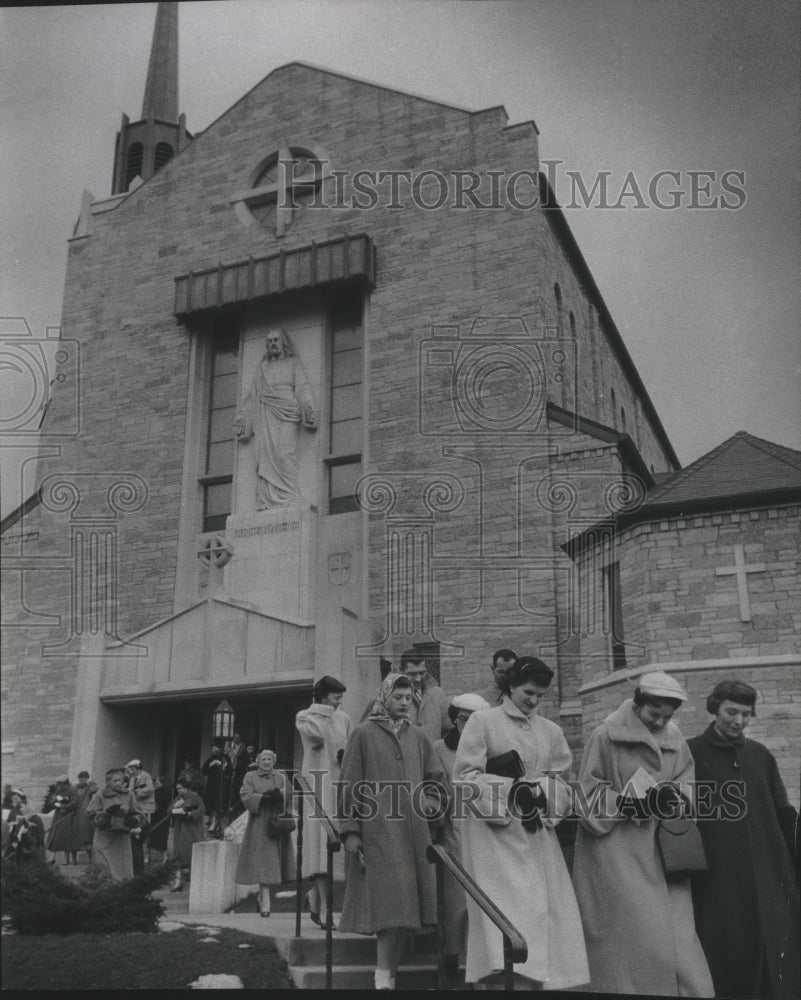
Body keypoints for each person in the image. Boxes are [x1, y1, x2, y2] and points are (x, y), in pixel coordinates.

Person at [571, 671, 713, 996]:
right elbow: (586, 796)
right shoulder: (606, 735)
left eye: (667, 716)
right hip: (614, 853)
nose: (660, 723)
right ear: (637, 703)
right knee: (628, 939)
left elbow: (687, 786)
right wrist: (629, 801)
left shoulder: (674, 738)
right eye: (653, 714)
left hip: (664, 850)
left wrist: (674, 798)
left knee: (675, 939)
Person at [453, 656, 589, 990]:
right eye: (528, 692)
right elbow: (464, 778)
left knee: (542, 916)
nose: (533, 701)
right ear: (510, 685)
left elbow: (561, 781)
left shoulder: (551, 731)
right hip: (496, 838)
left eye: (540, 696)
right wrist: (513, 789)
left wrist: (544, 791)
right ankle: (501, 979)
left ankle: (534, 980)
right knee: (505, 917)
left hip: (537, 836)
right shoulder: (483, 722)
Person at [688, 679, 800, 1000]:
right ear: (715, 708)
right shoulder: (691, 752)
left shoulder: (760, 755)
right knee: (727, 960)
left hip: (770, 873)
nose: (738, 721)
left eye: (746, 714)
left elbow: (784, 811)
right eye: (731, 712)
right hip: (717, 879)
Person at [338, 672, 449, 991]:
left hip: (414, 835)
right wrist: (350, 831)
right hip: (378, 834)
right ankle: (382, 975)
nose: (404, 702)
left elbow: (436, 778)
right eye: (397, 697)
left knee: (406, 912)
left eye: (408, 698)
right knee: (391, 909)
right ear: (383, 697)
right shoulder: (363, 734)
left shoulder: (417, 736)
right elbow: (349, 785)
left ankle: (389, 976)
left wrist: (431, 803)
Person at [431, 692, 490, 986]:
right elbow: (434, 789)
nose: (468, 725)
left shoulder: (489, 749)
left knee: (482, 900)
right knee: (455, 901)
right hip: (452, 829)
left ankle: (479, 963)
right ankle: (452, 961)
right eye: (464, 719)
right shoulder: (439, 749)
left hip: (486, 829)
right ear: (454, 719)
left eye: (474, 720)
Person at [234, 327, 317, 508]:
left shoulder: (293, 363)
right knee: (265, 456)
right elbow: (252, 398)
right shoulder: (262, 368)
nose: (272, 344)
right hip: (266, 414)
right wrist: (243, 418)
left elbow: (302, 389)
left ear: (283, 343)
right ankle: (266, 499)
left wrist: (308, 407)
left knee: (284, 453)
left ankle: (290, 495)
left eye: (276, 340)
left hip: (288, 412)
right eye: (269, 341)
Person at [295, 674, 353, 929]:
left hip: (338, 785)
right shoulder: (306, 716)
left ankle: (315, 897)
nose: (339, 701)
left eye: (340, 697)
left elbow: (348, 748)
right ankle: (327, 910)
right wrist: (323, 710)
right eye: (335, 696)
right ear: (322, 696)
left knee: (334, 844)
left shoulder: (344, 718)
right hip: (317, 785)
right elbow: (317, 736)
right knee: (319, 845)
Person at [234, 749, 294, 916]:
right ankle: (265, 899)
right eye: (263, 759)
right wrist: (262, 798)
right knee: (263, 861)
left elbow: (289, 793)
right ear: (258, 761)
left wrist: (279, 795)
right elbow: (245, 794)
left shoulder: (281, 776)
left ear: (274, 761)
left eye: (269, 759)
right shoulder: (250, 776)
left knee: (274, 861)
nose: (266, 762)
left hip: (277, 822)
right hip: (260, 823)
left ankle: (263, 896)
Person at [86, 767, 143, 881]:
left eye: (120, 780)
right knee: (104, 869)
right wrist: (106, 813)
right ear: (108, 782)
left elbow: (139, 814)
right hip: (104, 837)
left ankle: (122, 892)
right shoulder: (100, 795)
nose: (118, 783)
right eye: (114, 781)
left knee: (123, 870)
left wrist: (134, 820)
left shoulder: (129, 795)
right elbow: (90, 814)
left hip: (121, 839)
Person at [397, 650, 451, 742]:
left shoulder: (438, 694)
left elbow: (448, 730)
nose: (418, 679)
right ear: (401, 671)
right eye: (412, 674)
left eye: (422, 673)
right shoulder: (388, 697)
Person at [168, 779, 206, 891]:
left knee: (191, 853)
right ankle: (178, 881)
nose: (179, 791)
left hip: (191, 829)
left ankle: (193, 880)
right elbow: (169, 812)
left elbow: (202, 809)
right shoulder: (178, 799)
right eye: (177, 789)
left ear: (186, 787)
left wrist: (190, 814)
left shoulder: (195, 797)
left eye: (180, 788)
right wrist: (176, 806)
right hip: (180, 829)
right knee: (178, 853)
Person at [125, 760, 155, 873]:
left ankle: (147, 854)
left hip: (145, 806)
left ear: (138, 768)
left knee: (144, 828)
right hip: (137, 806)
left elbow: (150, 789)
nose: (131, 771)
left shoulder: (146, 776)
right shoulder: (132, 778)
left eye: (133, 769)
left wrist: (138, 792)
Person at [2, 789, 45, 865]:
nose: (14, 800)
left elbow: (39, 837)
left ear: (22, 799)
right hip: (15, 844)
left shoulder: (34, 815)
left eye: (16, 798)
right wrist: (11, 825)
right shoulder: (13, 811)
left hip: (28, 846)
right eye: (13, 798)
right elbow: (8, 823)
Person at [42, 774, 77, 865]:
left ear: (66, 783)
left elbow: (74, 804)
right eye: (59, 784)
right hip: (58, 815)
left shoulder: (72, 790)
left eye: (61, 784)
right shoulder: (58, 789)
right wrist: (54, 801)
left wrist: (61, 805)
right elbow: (51, 800)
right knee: (54, 836)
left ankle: (66, 858)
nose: (60, 786)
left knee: (66, 837)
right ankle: (52, 857)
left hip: (68, 816)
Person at [201, 746, 233, 834]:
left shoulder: (226, 757)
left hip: (222, 786)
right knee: (211, 804)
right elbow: (204, 771)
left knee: (219, 805)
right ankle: (212, 821)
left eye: (215, 749)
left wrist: (225, 767)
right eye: (212, 749)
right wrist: (211, 764)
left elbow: (230, 772)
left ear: (220, 749)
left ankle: (215, 824)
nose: (213, 751)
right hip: (212, 785)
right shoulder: (211, 758)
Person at [72, 770, 97, 863]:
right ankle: (74, 860)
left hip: (86, 815)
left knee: (87, 837)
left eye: (83, 780)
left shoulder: (90, 787)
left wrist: (91, 783)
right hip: (75, 815)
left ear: (87, 779)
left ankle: (91, 858)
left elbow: (96, 789)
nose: (81, 782)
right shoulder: (74, 788)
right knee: (74, 838)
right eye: (80, 780)